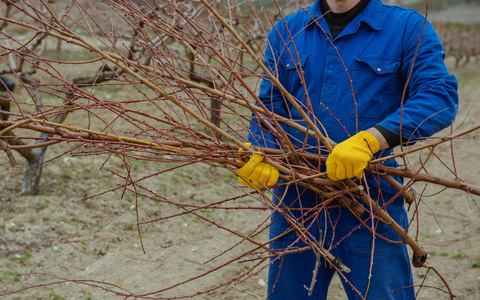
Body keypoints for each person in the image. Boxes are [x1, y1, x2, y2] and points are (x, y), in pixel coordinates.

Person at [236, 0, 458, 299]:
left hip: (370, 200)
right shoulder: (287, 31)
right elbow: (269, 108)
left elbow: (439, 96)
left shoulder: (407, 28)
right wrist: (262, 153)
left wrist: (371, 139)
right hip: (297, 202)